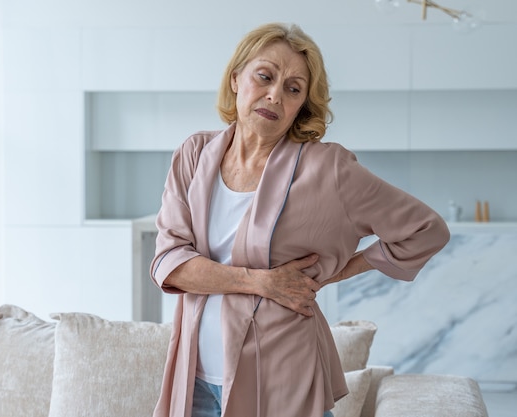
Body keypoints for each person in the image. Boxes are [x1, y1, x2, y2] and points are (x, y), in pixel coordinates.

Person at [150, 22, 450, 417]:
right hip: (196, 381)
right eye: (265, 76)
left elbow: (426, 230)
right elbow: (169, 265)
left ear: (302, 104)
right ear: (236, 78)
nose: (275, 94)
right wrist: (263, 282)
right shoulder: (194, 154)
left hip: (283, 381)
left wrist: (332, 273)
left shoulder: (329, 168)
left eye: (293, 88)